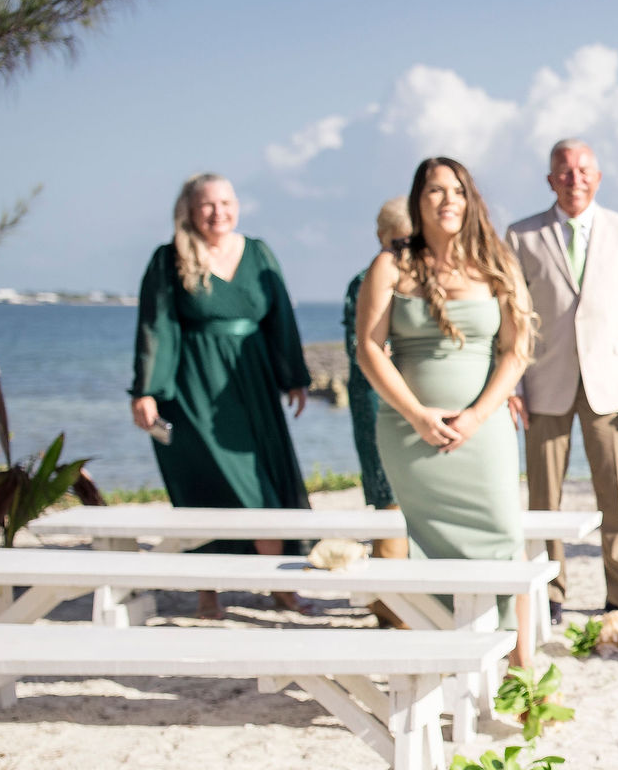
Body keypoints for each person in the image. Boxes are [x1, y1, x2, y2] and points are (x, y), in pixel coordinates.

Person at [354, 158, 537, 670]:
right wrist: (415, 415)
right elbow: (369, 350)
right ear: (419, 201)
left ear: (470, 199)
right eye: (435, 190)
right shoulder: (390, 266)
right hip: (411, 435)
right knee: (423, 549)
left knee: (504, 540)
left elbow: (516, 352)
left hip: (484, 434)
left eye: (457, 190)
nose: (447, 199)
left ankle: (521, 674)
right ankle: (447, 663)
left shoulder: (496, 261)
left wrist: (478, 415)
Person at [129, 173, 314, 620]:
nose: (219, 212)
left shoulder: (258, 252)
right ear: (189, 210)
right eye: (208, 204)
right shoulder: (169, 257)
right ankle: (209, 591)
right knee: (206, 488)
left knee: (264, 483)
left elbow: (281, 316)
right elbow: (156, 326)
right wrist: (146, 391)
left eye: (227, 202)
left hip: (251, 386)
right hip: (193, 389)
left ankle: (281, 584)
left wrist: (294, 376)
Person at [504, 140, 618, 624]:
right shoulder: (521, 235)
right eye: (565, 170)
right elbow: (510, 313)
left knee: (616, 495)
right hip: (541, 383)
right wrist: (510, 382)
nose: (575, 178)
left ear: (598, 176)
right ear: (550, 178)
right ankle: (549, 593)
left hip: (611, 385)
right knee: (542, 499)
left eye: (584, 169)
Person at [344, 199, 412, 629]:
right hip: (377, 401)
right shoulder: (368, 281)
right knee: (388, 501)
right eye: (399, 240)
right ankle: (391, 608)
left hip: (410, 400)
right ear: (382, 239)